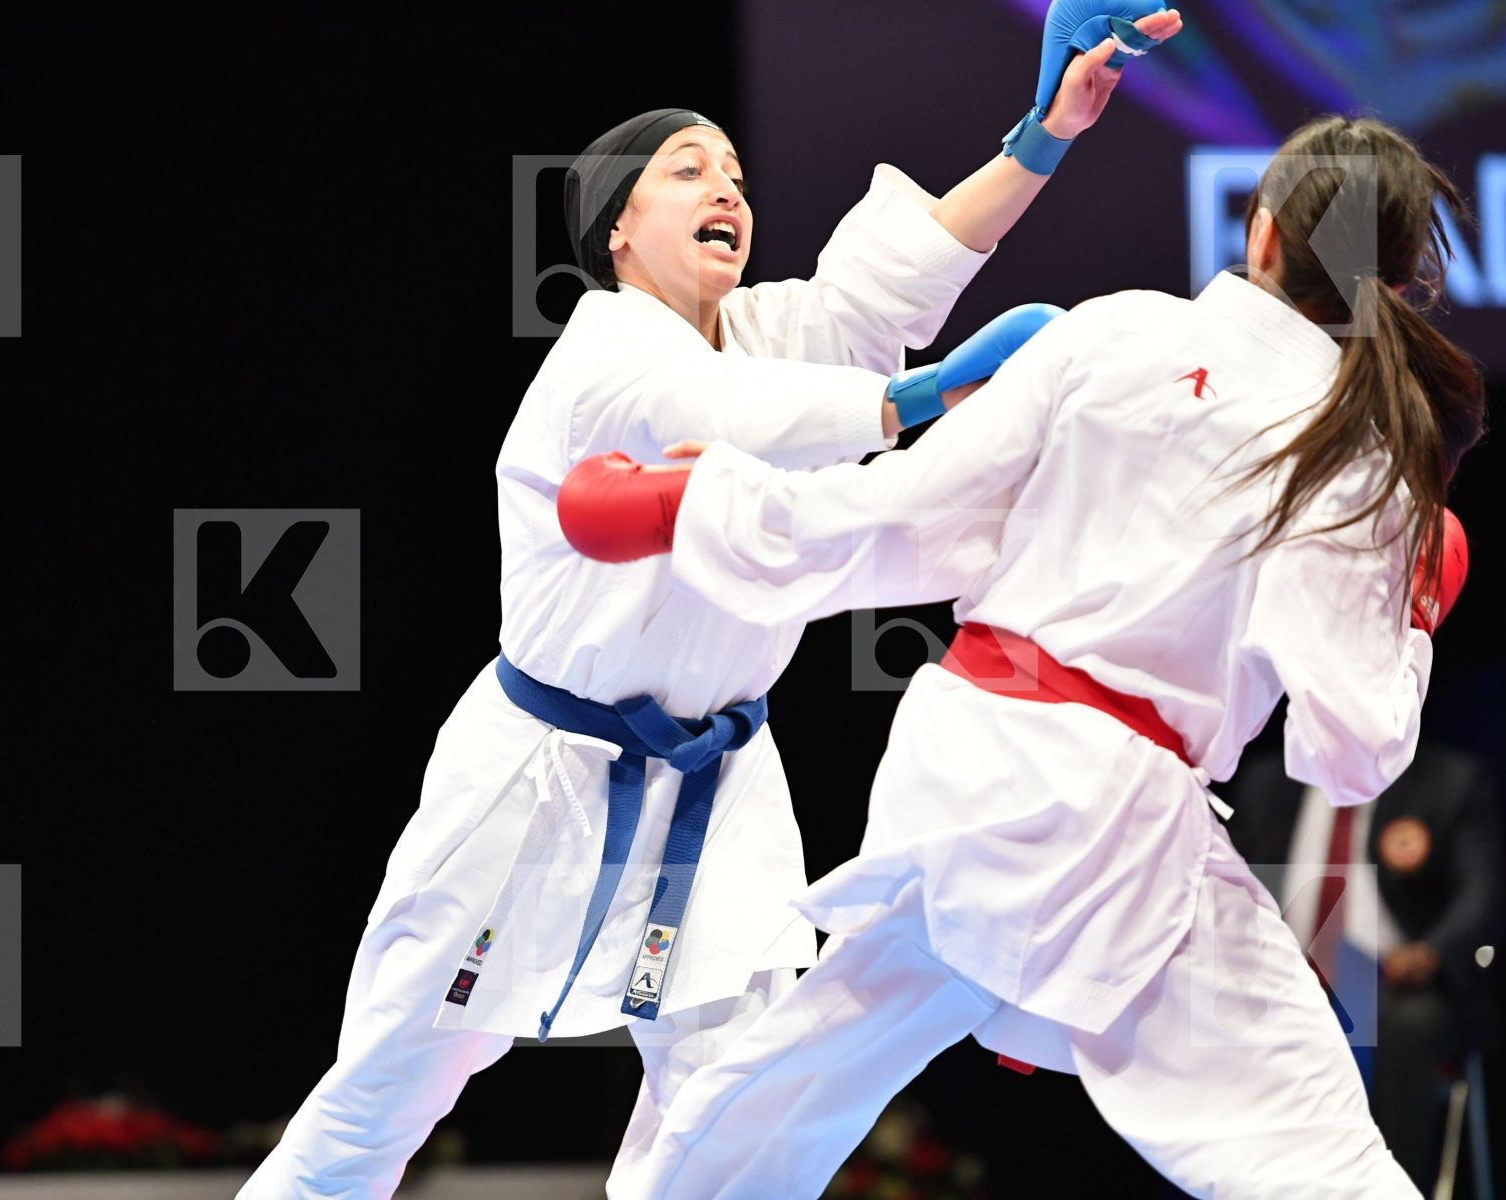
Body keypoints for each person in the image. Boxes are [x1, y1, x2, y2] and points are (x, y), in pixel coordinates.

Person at [238, 4, 1186, 1196]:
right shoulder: (604, 351)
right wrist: (920, 400)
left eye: (734, 171)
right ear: (619, 227)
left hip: (723, 782)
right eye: (686, 170)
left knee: (728, 1103)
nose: (724, 185)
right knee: (382, 1095)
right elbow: (734, 422)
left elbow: (887, 286)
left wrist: (1042, 135)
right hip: (536, 778)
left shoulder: (767, 331)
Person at [557, 114, 1486, 1197]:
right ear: (1395, 277)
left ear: (1264, 230)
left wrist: (704, 499)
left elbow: (901, 515)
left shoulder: (1113, 333)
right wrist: (1414, 621)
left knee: (782, 1092)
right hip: (1110, 826)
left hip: (966, 766)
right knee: (1315, 1155)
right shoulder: (1356, 454)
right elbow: (1350, 758)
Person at [1226, 739, 1501, 1192]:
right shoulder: (1268, 783)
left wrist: (1432, 951)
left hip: (1395, 983)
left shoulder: (1448, 781)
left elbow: (1482, 895)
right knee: (1214, 1011)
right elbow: (1228, 887)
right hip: (1285, 976)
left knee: (1405, 1023)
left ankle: (1387, 1187)